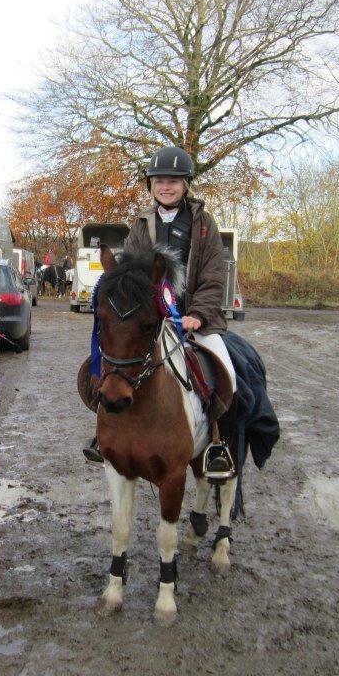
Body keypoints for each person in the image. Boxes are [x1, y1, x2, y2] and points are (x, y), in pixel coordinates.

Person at [83, 146, 237, 476]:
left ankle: (215, 442)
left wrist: (199, 313)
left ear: (186, 185)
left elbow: (213, 276)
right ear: (151, 185)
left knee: (224, 373)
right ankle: (107, 435)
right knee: (104, 365)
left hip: (194, 319)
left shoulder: (204, 224)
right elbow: (131, 274)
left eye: (173, 181)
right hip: (152, 319)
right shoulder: (142, 223)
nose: (166, 187)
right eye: (159, 181)